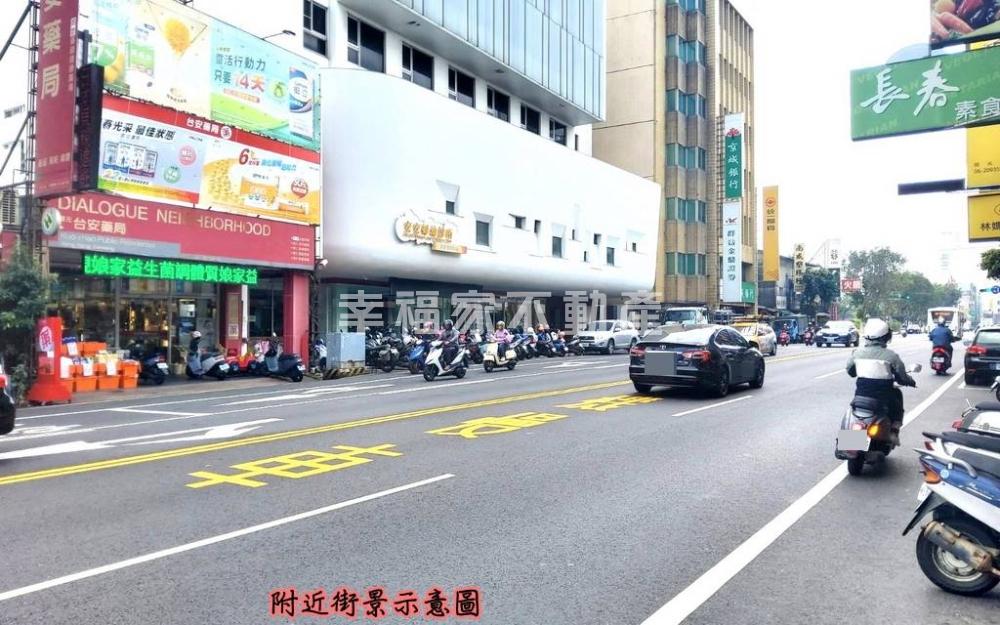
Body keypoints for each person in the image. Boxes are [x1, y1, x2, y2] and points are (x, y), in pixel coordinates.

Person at [846, 318, 916, 446]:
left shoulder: (857, 353)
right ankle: (894, 432)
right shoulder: (891, 356)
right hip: (883, 398)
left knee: (851, 415)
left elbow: (850, 372)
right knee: (897, 407)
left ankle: (850, 443)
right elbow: (902, 377)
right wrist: (911, 381)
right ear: (886, 337)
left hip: (860, 398)